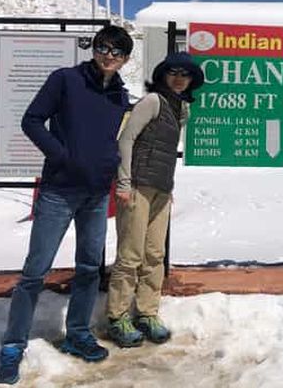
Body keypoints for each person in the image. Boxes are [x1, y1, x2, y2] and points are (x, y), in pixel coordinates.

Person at [0, 25, 133, 384]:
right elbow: (31, 120)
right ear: (94, 48)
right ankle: (13, 345)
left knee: (89, 268)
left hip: (96, 194)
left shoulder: (119, 95)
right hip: (59, 191)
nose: (109, 56)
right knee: (35, 271)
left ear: (125, 60)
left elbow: (116, 139)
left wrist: (110, 166)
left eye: (117, 52)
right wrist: (60, 155)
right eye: (104, 48)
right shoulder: (66, 80)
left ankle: (78, 334)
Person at [105, 52, 204, 347]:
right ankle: (117, 316)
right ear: (163, 75)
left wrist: (167, 188)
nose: (179, 78)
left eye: (185, 74)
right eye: (173, 72)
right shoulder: (152, 101)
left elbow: (164, 151)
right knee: (130, 255)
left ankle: (147, 312)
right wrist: (124, 182)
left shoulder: (180, 108)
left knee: (155, 254)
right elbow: (126, 139)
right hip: (137, 185)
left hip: (160, 188)